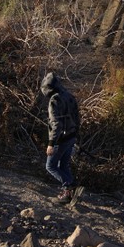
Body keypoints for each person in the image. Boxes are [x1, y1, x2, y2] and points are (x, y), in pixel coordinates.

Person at [41, 71, 82, 203]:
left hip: (61, 139)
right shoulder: (69, 96)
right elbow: (77, 117)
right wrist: (76, 136)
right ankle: (69, 194)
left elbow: (56, 124)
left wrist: (51, 143)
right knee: (64, 165)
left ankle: (69, 186)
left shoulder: (54, 100)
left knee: (50, 166)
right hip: (71, 136)